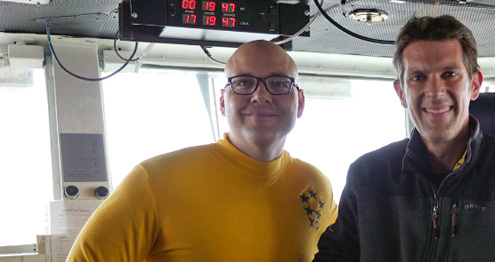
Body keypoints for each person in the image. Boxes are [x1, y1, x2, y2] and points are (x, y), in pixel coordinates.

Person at [314, 15, 495, 261]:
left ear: (474, 84)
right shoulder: (368, 175)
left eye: (449, 74)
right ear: (401, 92)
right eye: (418, 77)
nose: (434, 91)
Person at [67, 40, 337, 262]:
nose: (260, 95)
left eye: (278, 83)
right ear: (222, 101)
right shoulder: (154, 181)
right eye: (243, 82)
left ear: (299, 102)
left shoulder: (315, 184)